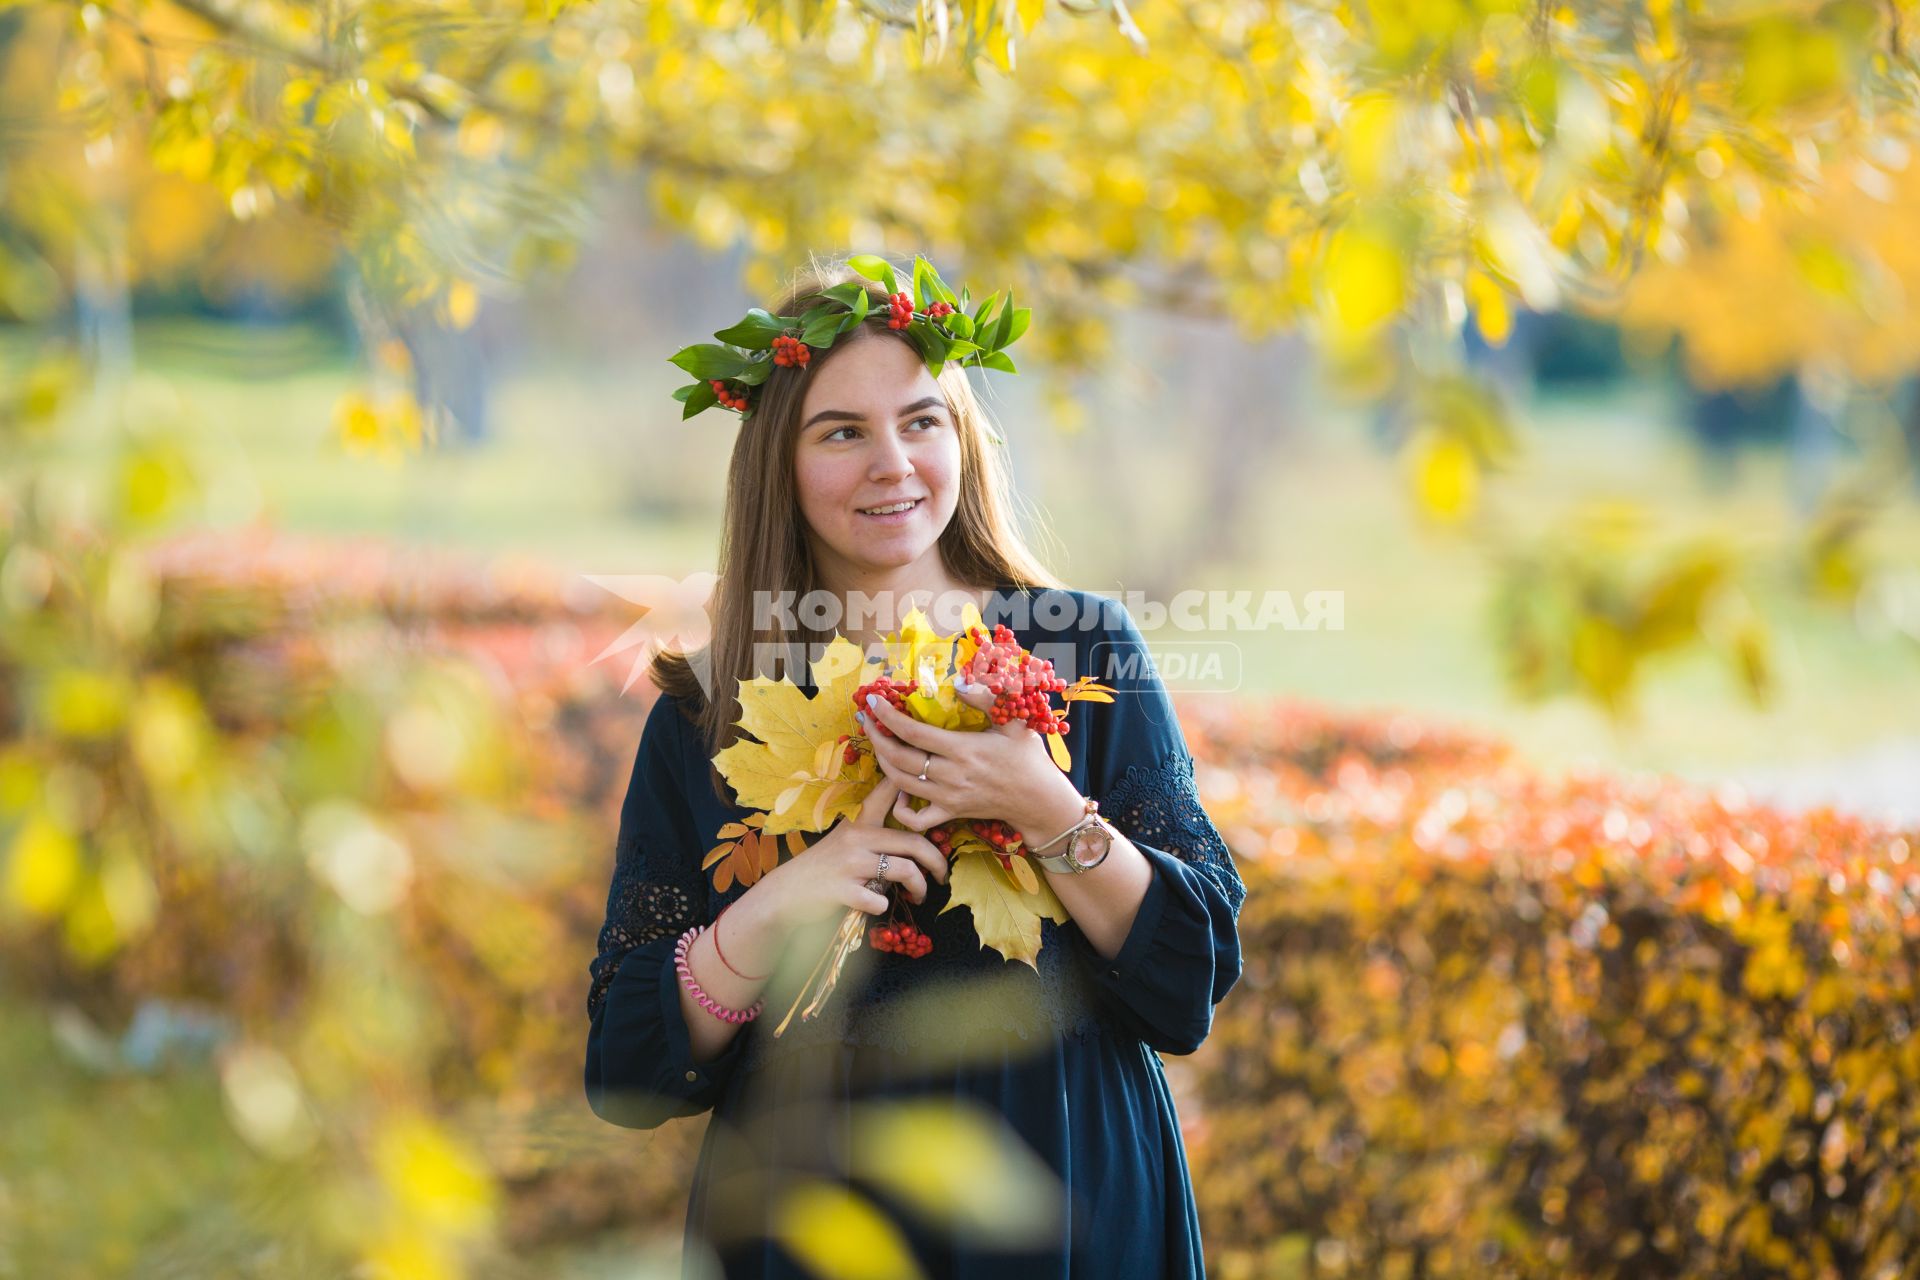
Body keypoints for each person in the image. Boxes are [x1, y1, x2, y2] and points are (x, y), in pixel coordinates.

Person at [584, 254, 1246, 1277]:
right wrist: (779, 904)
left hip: (1072, 1199)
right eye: (842, 431)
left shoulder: (1077, 650)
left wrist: (1042, 804)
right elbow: (630, 1067)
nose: (892, 460)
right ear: (780, 464)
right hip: (808, 1224)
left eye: (922, 419)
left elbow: (1189, 979)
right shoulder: (710, 703)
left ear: (963, 438)